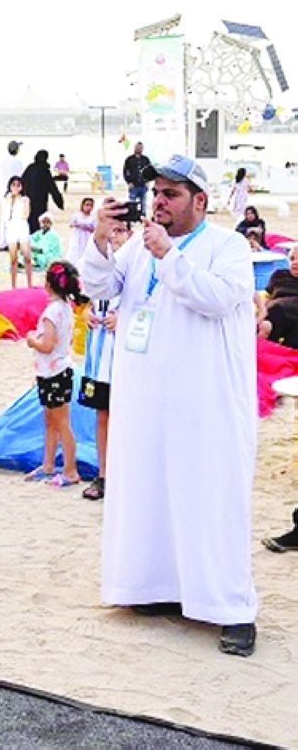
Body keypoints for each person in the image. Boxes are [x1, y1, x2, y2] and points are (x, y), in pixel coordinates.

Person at [82, 155, 259, 657]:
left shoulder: (227, 246)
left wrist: (168, 257)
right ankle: (157, 587)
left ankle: (232, 610)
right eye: (156, 192)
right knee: (150, 491)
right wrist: (99, 242)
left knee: (210, 499)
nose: (158, 202)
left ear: (200, 201)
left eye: (171, 194)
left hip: (205, 402)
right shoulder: (140, 244)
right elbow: (100, 288)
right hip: (144, 399)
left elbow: (219, 299)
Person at [24, 261, 88, 487]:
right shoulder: (66, 308)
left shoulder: (52, 312)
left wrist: (32, 340)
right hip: (57, 370)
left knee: (60, 422)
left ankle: (70, 471)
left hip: (53, 372)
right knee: (51, 420)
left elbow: (47, 345)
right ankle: (48, 464)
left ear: (48, 284)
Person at [77, 227, 129, 501]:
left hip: (123, 356)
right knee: (102, 415)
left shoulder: (138, 265)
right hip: (98, 357)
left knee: (128, 416)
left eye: (120, 231)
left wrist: (124, 319)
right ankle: (104, 474)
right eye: (110, 232)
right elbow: (87, 301)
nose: (114, 238)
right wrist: (87, 313)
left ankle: (126, 474)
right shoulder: (97, 265)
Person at [256, 243, 298, 348]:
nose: (295, 262)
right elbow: (266, 296)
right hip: (275, 312)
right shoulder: (279, 275)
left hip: (295, 316)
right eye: (292, 259)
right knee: (266, 326)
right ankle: (260, 354)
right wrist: (261, 311)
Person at [22, 149, 65, 230]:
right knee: (39, 223)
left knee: (29, 223)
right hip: (40, 202)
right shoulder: (45, 171)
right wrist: (59, 202)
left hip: (28, 202)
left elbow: (22, 182)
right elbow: (53, 188)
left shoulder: (30, 168)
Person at [3, 176, 33, 288]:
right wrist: (10, 200)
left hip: (21, 226)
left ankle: (30, 283)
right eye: (13, 185)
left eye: (18, 185)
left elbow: (26, 215)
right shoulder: (7, 198)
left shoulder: (25, 199)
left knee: (27, 256)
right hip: (11, 228)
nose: (15, 187)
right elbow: (5, 216)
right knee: (13, 258)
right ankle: (13, 285)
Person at [0, 140, 24, 247]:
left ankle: (3, 241)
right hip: (14, 191)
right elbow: (20, 177)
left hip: (3, 192)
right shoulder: (18, 162)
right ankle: (13, 241)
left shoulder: (2, 162)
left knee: (4, 217)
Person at [121, 142, 153, 215]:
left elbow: (150, 170)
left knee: (143, 203)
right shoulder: (129, 159)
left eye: (141, 147)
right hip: (133, 185)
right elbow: (125, 171)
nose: (139, 149)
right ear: (134, 148)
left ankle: (143, 217)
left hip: (143, 185)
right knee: (132, 202)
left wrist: (148, 182)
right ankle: (132, 216)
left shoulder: (146, 159)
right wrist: (128, 182)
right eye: (137, 147)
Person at [68, 197, 97, 264]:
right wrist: (77, 225)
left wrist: (84, 226)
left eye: (91, 205)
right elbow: (71, 224)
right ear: (82, 205)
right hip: (77, 237)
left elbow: (95, 229)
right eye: (87, 205)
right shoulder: (76, 215)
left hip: (87, 238)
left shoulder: (93, 217)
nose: (89, 207)